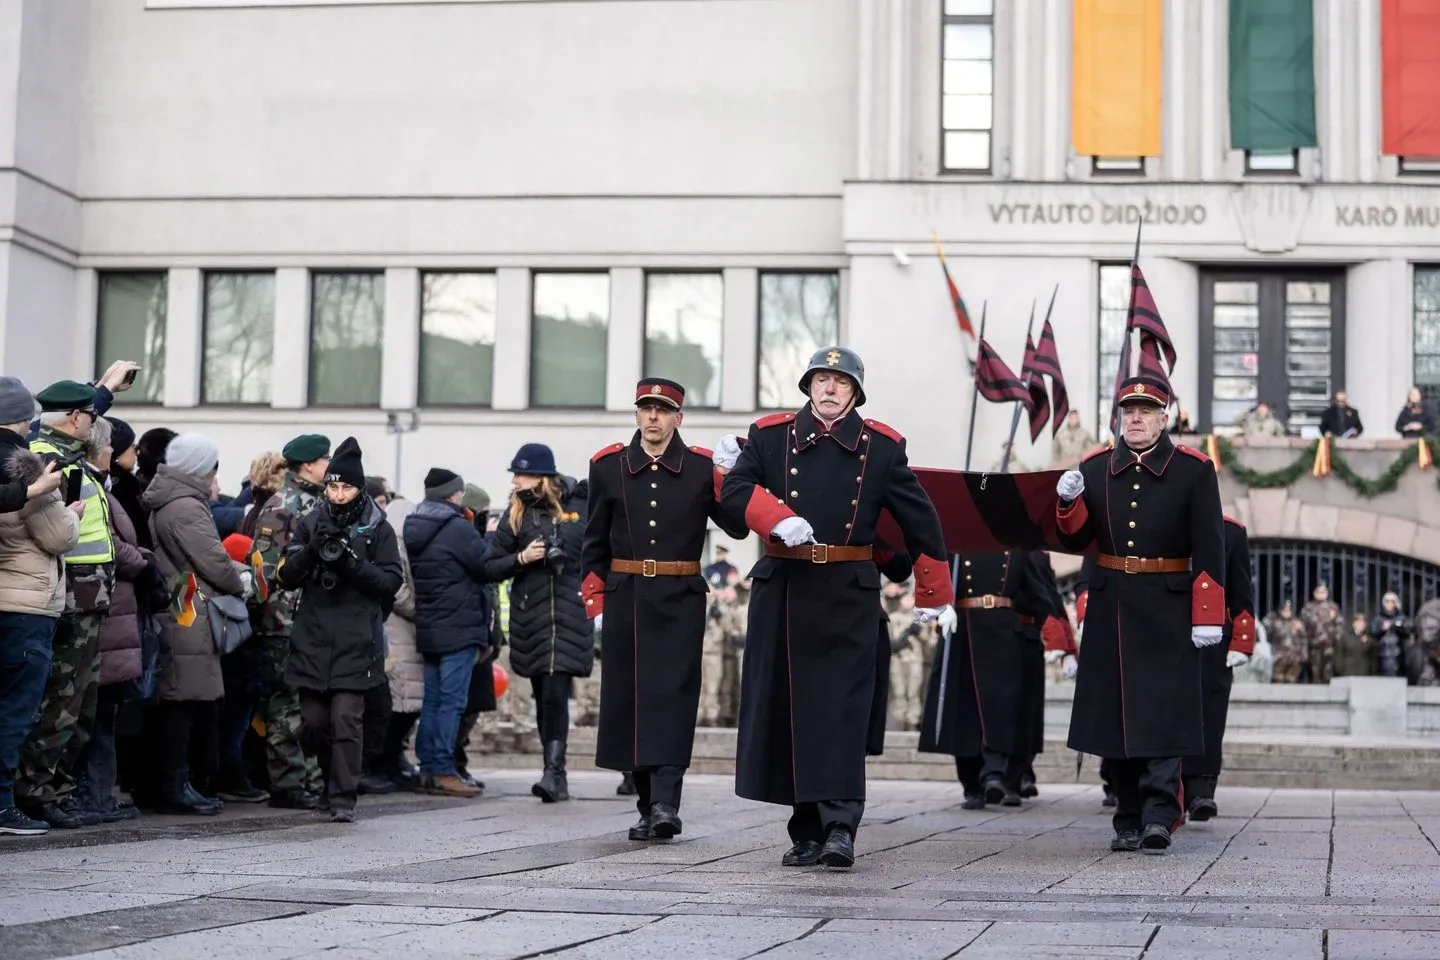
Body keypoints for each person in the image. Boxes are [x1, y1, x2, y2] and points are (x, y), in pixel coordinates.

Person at [716, 346, 953, 869]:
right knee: (790, 710)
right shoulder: (770, 436)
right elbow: (733, 492)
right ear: (807, 386)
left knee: (841, 713)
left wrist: (934, 590)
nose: (829, 389)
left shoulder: (882, 447)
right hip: (785, 587)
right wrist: (774, 516)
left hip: (849, 590)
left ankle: (840, 826)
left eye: (840, 382)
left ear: (855, 393)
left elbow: (920, 518)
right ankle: (804, 831)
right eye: (821, 380)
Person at [1054, 375, 1226, 854]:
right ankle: (1127, 815)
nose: (1136, 417)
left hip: (1167, 603)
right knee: (1115, 717)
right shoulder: (1093, 467)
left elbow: (1210, 545)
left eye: (1146, 410)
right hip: (1112, 601)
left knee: (1163, 713)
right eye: (1128, 409)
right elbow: (1074, 542)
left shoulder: (1193, 470)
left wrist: (1208, 612)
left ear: (1163, 417)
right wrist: (1067, 504)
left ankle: (1158, 813)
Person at [582, 377, 748, 841]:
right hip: (626, 595)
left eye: (662, 409)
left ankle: (665, 805)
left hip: (679, 598)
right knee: (631, 701)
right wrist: (596, 600)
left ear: (679, 418)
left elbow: (735, 529)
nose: (653, 417)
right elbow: (593, 540)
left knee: (672, 700)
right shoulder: (608, 466)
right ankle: (644, 804)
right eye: (645, 408)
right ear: (637, 414)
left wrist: (732, 477)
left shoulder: (698, 469)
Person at [276, 438, 402, 823]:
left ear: (359, 488)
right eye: (333, 486)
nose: (339, 493)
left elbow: (391, 582)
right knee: (315, 722)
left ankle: (343, 797)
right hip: (313, 637)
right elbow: (285, 577)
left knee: (346, 720)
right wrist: (312, 550)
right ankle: (330, 783)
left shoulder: (378, 528)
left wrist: (350, 563)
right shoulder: (312, 521)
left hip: (356, 639)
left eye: (346, 487)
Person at [17, 381, 118, 829]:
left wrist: (107, 389)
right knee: (60, 700)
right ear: (76, 418)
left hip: (86, 594)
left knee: (78, 702)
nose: (94, 424)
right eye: (90, 416)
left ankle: (57, 788)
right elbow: (56, 531)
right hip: (68, 594)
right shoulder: (46, 457)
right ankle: (39, 792)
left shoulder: (63, 451)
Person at [143, 433, 250, 815]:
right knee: (182, 701)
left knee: (179, 698)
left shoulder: (169, 499)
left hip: (179, 601)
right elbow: (213, 560)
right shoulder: (186, 506)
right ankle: (176, 785)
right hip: (188, 607)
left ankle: (176, 783)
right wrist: (242, 583)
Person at [483, 443, 591, 803]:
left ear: (541, 476)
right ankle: (552, 770)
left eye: (521, 474)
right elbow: (489, 566)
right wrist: (522, 557)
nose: (515, 481)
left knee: (557, 692)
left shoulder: (580, 506)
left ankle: (554, 772)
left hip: (569, 613)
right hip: (532, 616)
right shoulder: (516, 515)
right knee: (543, 693)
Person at [918, 550, 1065, 808]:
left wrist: (1048, 631)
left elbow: (1036, 589)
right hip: (962, 629)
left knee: (1001, 708)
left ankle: (995, 774)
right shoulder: (955, 544)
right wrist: (939, 606)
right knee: (963, 712)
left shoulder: (1017, 547)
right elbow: (935, 572)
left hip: (1002, 632)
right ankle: (972, 785)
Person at [0, 377, 75, 836]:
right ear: (24, 417)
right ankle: (2, 807)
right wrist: (71, 512)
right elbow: (58, 536)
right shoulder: (26, 467)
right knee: (14, 711)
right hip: (26, 605)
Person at [403, 467, 494, 799]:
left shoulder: (416, 523)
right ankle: (442, 769)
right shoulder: (456, 527)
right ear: (454, 495)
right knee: (452, 703)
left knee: (433, 701)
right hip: (459, 625)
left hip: (430, 624)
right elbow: (486, 566)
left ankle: (428, 769)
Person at [251, 434, 331, 810]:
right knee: (288, 703)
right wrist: (272, 614)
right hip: (286, 619)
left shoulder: (317, 501)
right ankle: (287, 782)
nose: (329, 465)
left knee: (311, 703)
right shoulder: (283, 505)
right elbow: (264, 570)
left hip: (312, 618)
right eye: (325, 459)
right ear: (309, 464)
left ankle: (310, 780)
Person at [75, 415, 148, 822]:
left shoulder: (109, 488)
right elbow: (113, 544)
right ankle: (92, 794)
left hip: (113, 609)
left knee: (105, 709)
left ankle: (100, 792)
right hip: (104, 608)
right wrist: (144, 562)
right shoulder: (95, 486)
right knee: (96, 710)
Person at [1181, 516, 1255, 822]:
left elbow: (1242, 590)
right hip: (1167, 630)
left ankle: (1201, 789)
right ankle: (1168, 789)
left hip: (1214, 638)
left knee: (1208, 713)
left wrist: (1242, 640)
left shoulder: (1230, 531)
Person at [377, 491, 423, 791]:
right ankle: (383, 764)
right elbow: (397, 589)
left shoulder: (399, 541)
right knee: (400, 701)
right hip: (397, 630)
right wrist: (419, 611)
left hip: (404, 631)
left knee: (408, 701)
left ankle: (392, 761)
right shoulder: (395, 542)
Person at [1301, 583, 1342, 684]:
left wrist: (1334, 618)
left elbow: (1340, 625)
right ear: (1314, 593)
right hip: (1314, 646)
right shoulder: (1308, 607)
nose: (1321, 594)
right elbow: (1304, 625)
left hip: (1329, 645)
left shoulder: (1333, 607)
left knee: (1328, 674)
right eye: (1319, 592)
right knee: (1315, 673)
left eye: (1323, 592)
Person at [1265, 601, 1307, 684]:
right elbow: (1267, 629)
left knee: (1291, 682)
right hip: (1279, 659)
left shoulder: (1297, 623)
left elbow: (1303, 639)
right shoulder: (1275, 623)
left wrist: (1303, 655)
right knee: (1278, 681)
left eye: (1289, 610)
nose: (1287, 612)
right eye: (1285, 610)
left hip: (1294, 659)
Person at [1334, 611, 1375, 677]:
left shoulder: (1369, 638)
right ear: (1353, 624)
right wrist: (1339, 668)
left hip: (1364, 672)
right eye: (1358, 622)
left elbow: (1372, 656)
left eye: (1362, 622)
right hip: (1348, 671)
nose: (1360, 624)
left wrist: (1372, 671)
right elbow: (1339, 653)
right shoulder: (1345, 636)